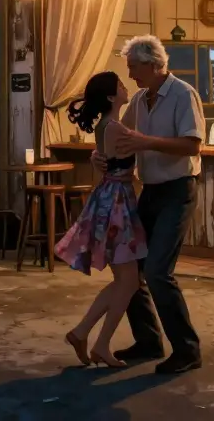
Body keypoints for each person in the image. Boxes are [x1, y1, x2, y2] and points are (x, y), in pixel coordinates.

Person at [91, 35, 204, 374]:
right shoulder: (139, 99)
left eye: (134, 67)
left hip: (178, 189)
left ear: (154, 65)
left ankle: (187, 349)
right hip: (151, 191)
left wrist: (146, 141)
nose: (130, 74)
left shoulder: (184, 94)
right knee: (131, 270)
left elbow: (192, 145)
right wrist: (99, 157)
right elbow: (121, 139)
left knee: (157, 271)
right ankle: (149, 340)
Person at [55, 71, 148, 368]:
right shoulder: (115, 128)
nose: (125, 87)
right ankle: (100, 343)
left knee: (126, 280)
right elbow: (146, 144)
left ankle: (84, 334)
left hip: (112, 198)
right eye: (120, 85)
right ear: (111, 96)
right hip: (118, 202)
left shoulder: (108, 126)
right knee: (128, 280)